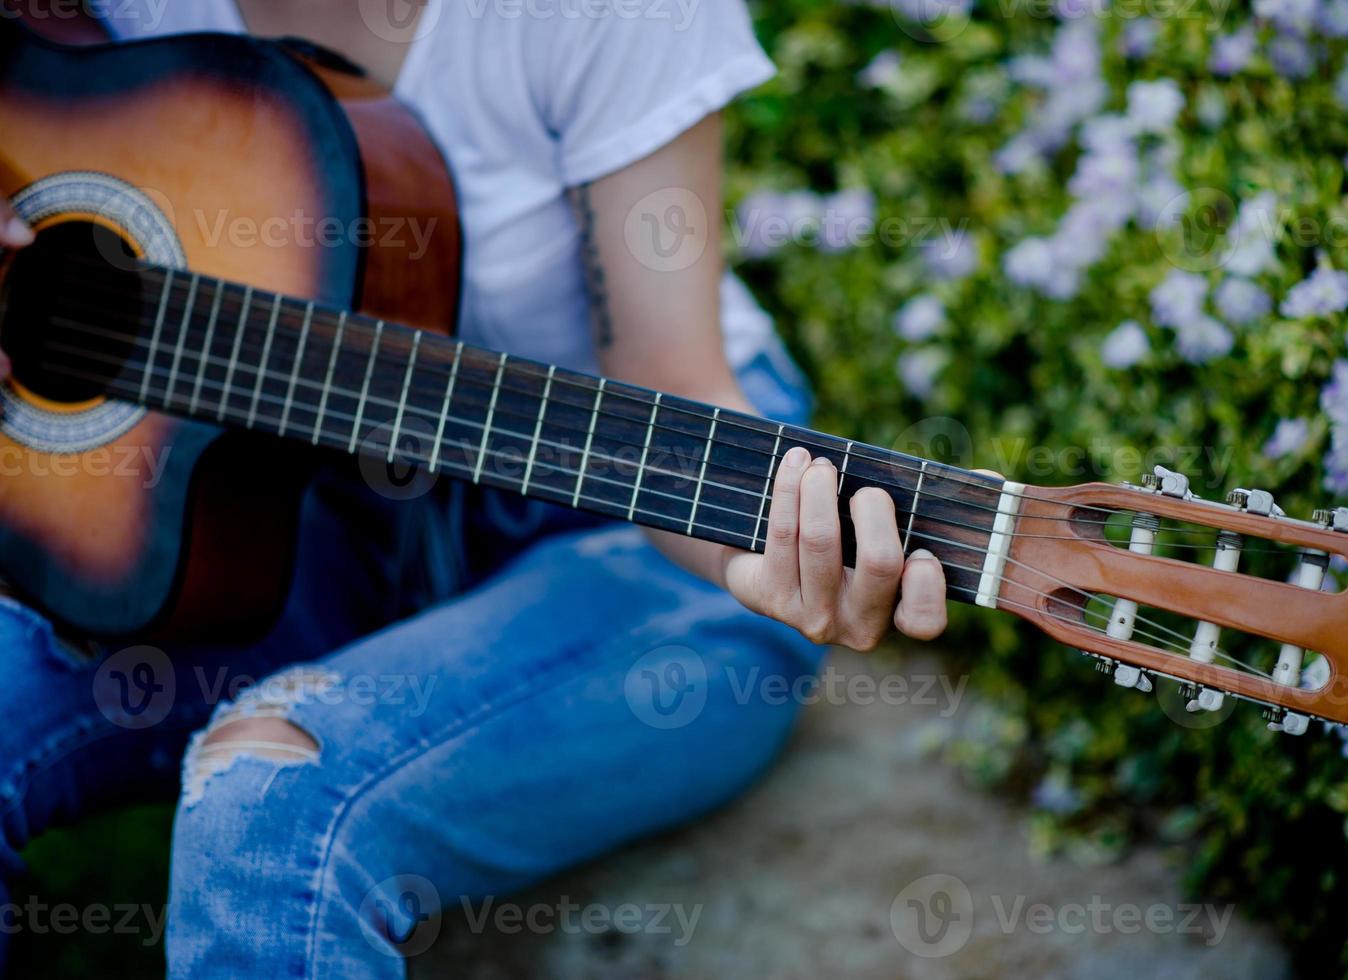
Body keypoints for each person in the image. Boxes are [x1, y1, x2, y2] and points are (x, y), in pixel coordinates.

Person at [0, 0, 949, 974]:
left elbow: (674, 378)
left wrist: (769, 551)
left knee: (272, 805)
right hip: (270, 512)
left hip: (635, 514)